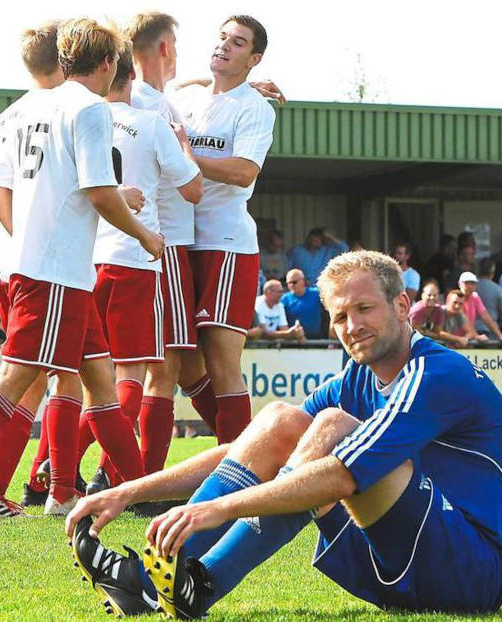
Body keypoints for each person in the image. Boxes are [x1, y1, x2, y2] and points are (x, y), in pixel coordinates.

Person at [67, 250, 502, 618]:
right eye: (339, 317)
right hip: (404, 556)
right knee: (279, 419)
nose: (351, 327)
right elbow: (247, 448)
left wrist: (219, 509)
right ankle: (150, 582)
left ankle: (201, 585)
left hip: (474, 571)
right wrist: (128, 492)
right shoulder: (360, 376)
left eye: (364, 309)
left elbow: (340, 476)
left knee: (330, 427)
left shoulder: (437, 373)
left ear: (402, 306)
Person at [0, 17, 163, 524]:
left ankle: (137, 491)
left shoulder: (27, 109)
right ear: (108, 64)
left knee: (97, 381)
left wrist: (18, 237)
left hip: (49, 266)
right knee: (19, 376)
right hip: (56, 268)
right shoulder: (88, 109)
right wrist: (145, 233)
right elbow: (100, 192)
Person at [80, 40, 203, 489]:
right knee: (139, 373)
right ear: (130, 76)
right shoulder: (150, 123)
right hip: (136, 258)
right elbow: (192, 190)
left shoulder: (80, 120)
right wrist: (185, 148)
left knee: (89, 378)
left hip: (85, 262)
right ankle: (116, 475)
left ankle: (52, 474)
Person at [168, 15, 277, 443]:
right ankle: (245, 453)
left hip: (225, 244)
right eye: (222, 38)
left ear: (254, 58)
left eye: (238, 43)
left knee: (220, 361)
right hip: (180, 242)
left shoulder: (255, 108)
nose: (224, 46)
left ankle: (239, 467)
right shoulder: (185, 98)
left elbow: (244, 171)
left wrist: (187, 156)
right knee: (185, 365)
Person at [0, 21, 64, 514]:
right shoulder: (65, 109)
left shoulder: (6, 118)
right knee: (29, 380)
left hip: (9, 265)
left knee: (31, 378)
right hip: (44, 265)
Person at [458, 271, 502, 343]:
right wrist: (476, 336)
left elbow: (486, 317)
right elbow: (463, 320)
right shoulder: (455, 298)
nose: (470, 286)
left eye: (473, 283)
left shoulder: (475, 297)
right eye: (466, 283)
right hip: (456, 338)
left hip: (468, 338)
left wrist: (500, 335)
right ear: (459, 284)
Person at [281, 268, 324, 338]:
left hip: (316, 341)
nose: (291, 285)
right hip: (294, 342)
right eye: (289, 283)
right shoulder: (284, 299)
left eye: (294, 282)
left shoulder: (316, 294)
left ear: (303, 281)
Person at [475, 258, 502, 336]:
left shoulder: (470, 288)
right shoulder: (498, 290)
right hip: (491, 331)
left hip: (471, 330)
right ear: (493, 272)